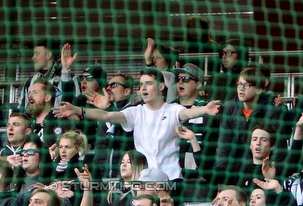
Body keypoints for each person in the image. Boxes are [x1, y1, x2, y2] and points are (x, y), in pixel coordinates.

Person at [54, 69, 221, 180]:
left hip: (171, 179)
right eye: (141, 84)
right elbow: (107, 115)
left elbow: (188, 112)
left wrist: (204, 109)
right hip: (142, 180)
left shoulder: (172, 109)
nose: (143, 88)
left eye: (148, 83)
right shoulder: (136, 112)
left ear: (161, 87)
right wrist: (78, 109)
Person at [19, 40, 80, 111]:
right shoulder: (30, 81)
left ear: (48, 55)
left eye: (36, 53)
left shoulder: (71, 79)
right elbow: (22, 111)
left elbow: (77, 108)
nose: (33, 58)